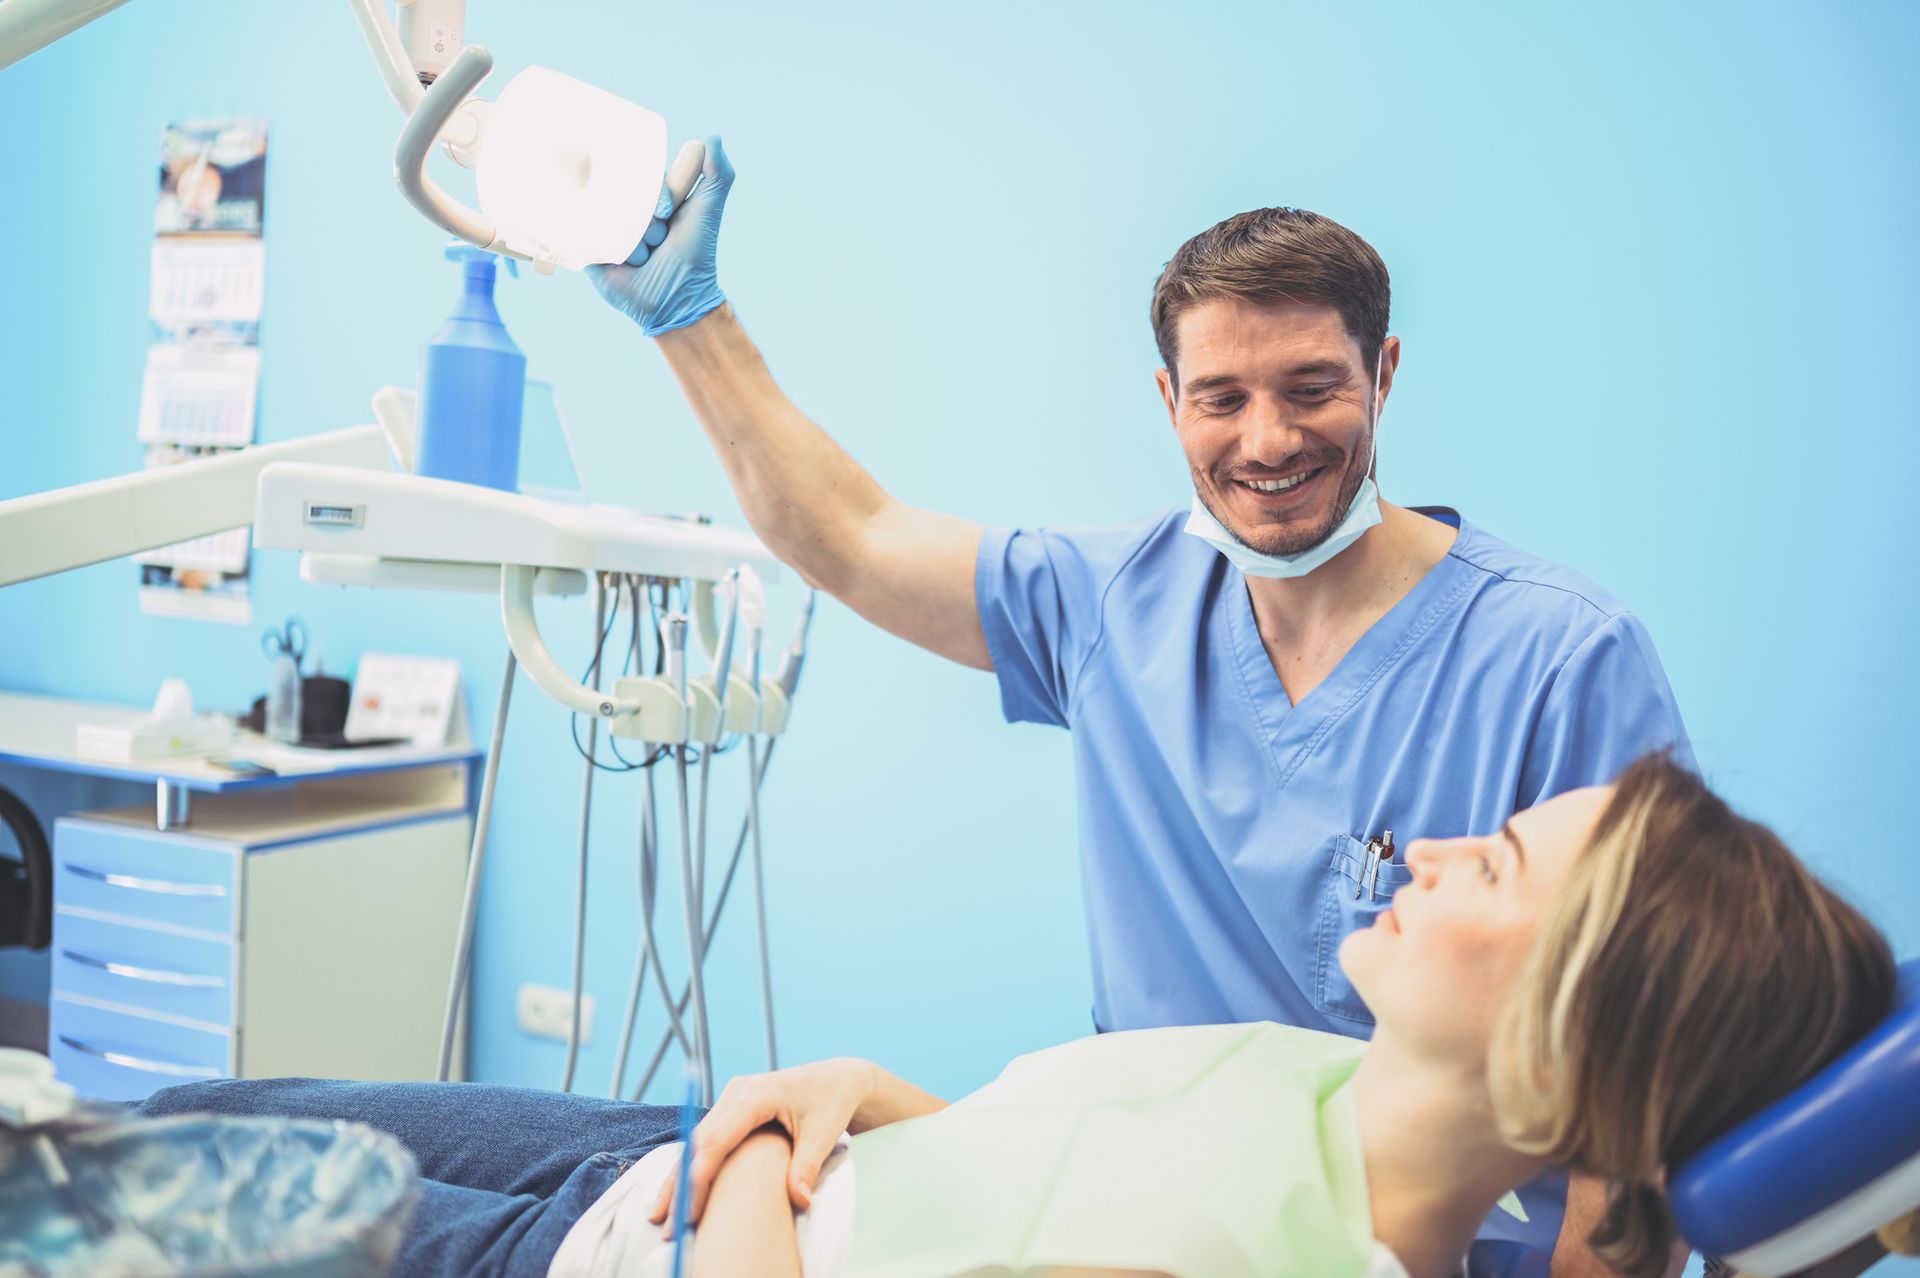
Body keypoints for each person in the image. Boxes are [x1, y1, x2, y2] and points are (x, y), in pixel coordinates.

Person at [583, 139, 1692, 1269]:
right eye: (1222, 398)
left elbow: (1641, 1085)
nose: (1268, 440)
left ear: (1385, 374)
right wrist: (690, 318)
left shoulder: (1560, 657)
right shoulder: (1119, 601)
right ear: (1169, 401)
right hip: (1118, 1201)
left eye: (1313, 388)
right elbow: (857, 539)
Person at [140, 755, 1896, 1278]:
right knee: (184, 1107)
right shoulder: (1317, 1084)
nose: (1434, 849)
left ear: (1568, 1031)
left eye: (1498, 861)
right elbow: (1038, 1164)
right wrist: (845, 1089)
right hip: (685, 1163)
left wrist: (755, 1162)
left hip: (631, 1249)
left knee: (89, 1208)